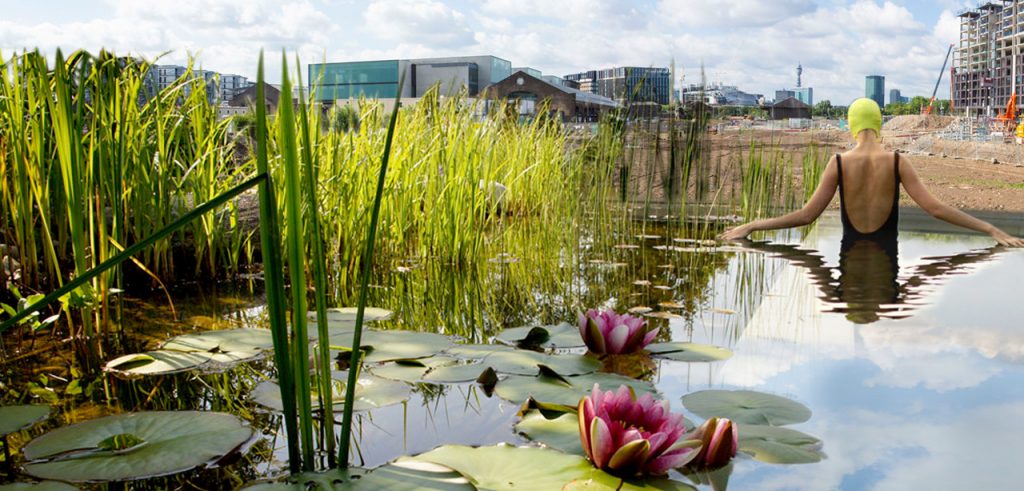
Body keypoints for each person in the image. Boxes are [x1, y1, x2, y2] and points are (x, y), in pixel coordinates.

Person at [719, 98, 1024, 247]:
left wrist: (753, 225)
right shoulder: (896, 161)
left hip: (850, 260)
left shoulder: (838, 162)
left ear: (851, 125)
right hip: (886, 261)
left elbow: (805, 216)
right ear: (879, 123)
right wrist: (991, 229)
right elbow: (935, 209)